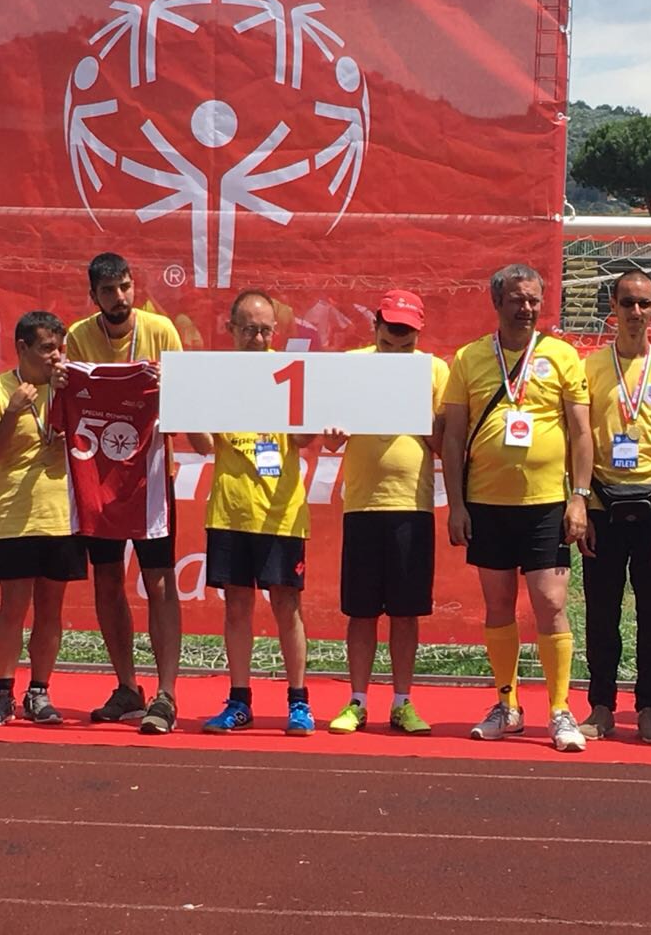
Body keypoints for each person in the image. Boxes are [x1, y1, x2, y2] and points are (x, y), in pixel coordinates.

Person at [441, 263, 592, 752]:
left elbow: (581, 432)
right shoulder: (469, 358)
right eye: (516, 299)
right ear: (496, 302)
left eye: (533, 300)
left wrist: (579, 497)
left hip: (546, 504)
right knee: (498, 605)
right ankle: (507, 704)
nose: (526, 308)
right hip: (486, 503)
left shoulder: (563, 356)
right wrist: (456, 505)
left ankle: (560, 709)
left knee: (550, 604)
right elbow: (453, 438)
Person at [61, 252, 185, 734]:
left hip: (151, 476)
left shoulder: (161, 330)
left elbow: (186, 402)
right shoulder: (78, 335)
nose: (120, 297)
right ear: (94, 296)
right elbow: (70, 398)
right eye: (110, 291)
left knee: (159, 581)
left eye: (126, 287)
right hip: (99, 476)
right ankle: (127, 686)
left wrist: (170, 386)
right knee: (107, 578)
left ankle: (167, 693)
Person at [188, 291, 318, 735]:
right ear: (231, 329)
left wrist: (322, 421)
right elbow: (203, 446)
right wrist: (184, 407)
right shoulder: (216, 378)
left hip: (282, 512)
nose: (258, 339)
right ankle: (239, 701)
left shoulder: (291, 372)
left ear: (275, 331)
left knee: (287, 605)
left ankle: (298, 702)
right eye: (249, 330)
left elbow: (303, 440)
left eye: (264, 330)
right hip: (231, 510)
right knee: (237, 607)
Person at [323, 290, 446, 736]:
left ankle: (402, 701)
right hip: (362, 504)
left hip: (411, 505)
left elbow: (443, 442)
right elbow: (329, 441)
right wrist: (334, 432)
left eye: (405, 345)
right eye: (387, 343)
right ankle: (357, 701)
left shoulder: (434, 370)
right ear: (374, 328)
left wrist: (418, 414)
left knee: (405, 612)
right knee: (361, 611)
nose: (396, 353)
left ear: (419, 336)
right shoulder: (351, 366)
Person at [577, 269, 651, 745]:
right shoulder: (588, 369)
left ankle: (649, 708)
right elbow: (577, 442)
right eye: (627, 303)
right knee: (601, 613)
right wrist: (581, 505)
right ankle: (601, 706)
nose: (636, 312)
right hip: (601, 506)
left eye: (645, 304)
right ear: (613, 306)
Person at [0, 311, 84, 726]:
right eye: (47, 348)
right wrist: (13, 412)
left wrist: (70, 407)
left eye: (60, 348)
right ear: (22, 347)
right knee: (13, 606)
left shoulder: (70, 387)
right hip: (16, 513)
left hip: (62, 513)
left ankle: (39, 691)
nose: (56, 356)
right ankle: (2, 692)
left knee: (50, 609)